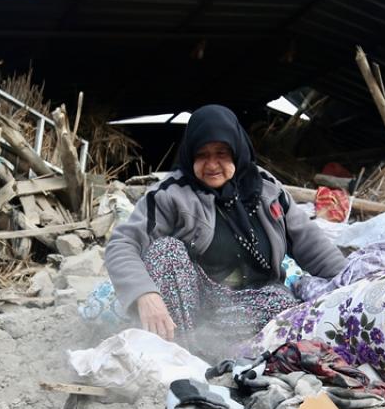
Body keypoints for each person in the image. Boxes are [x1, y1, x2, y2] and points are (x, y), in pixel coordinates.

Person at [104, 104, 347, 346]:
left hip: (248, 303)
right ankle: (181, 350)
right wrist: (145, 294)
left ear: (237, 151)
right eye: (202, 154)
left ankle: (210, 350)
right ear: (190, 155)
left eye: (221, 153)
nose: (211, 165)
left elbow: (309, 242)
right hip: (193, 304)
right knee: (166, 251)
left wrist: (351, 283)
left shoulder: (266, 187)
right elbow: (123, 244)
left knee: (285, 306)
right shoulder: (171, 194)